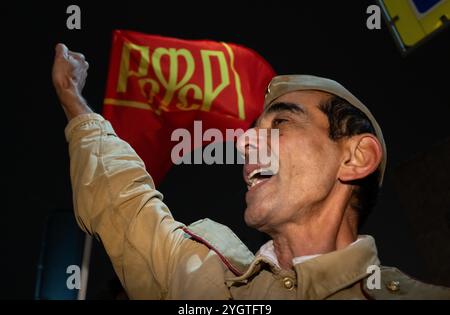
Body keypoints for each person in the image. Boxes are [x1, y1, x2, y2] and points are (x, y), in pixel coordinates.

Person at [52, 43, 450, 299]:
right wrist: (73, 101)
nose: (243, 144)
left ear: (355, 157)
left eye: (281, 124)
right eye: (250, 134)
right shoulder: (204, 283)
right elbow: (123, 205)